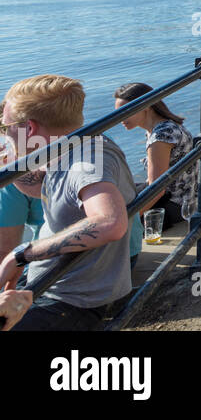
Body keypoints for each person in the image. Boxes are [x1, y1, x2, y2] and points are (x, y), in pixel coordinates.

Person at [0, 76, 135, 331]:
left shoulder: (86, 163)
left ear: (29, 128)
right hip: (53, 285)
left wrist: (22, 254)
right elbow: (49, 187)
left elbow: (110, 223)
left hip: (70, 302)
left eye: (5, 127)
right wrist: (11, 165)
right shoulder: (76, 145)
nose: (5, 134)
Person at [114, 83, 197, 229]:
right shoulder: (163, 126)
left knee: (115, 212)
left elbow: (157, 190)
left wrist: (129, 218)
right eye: (117, 112)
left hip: (177, 205)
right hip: (186, 196)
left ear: (146, 105)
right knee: (114, 194)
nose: (120, 118)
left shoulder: (160, 137)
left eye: (126, 110)